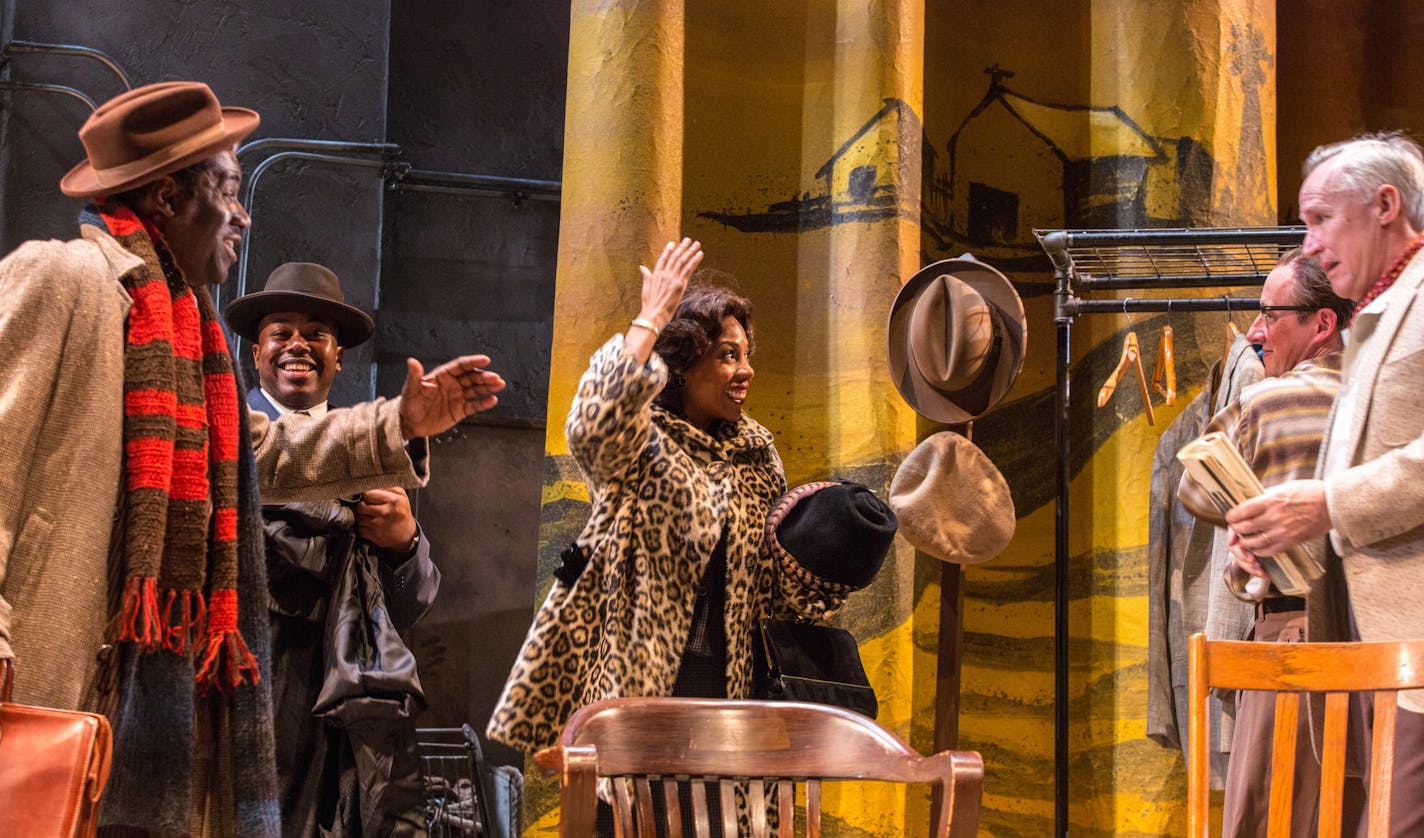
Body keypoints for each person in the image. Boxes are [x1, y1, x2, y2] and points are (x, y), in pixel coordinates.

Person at [0, 81, 504, 836]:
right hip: (54, 660)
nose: (242, 213)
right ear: (169, 196)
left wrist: (402, 421)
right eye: (228, 190)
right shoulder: (63, 279)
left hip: (151, 685)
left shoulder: (186, 332)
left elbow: (270, 451)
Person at [486, 237, 887, 748]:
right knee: (635, 822)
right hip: (640, 697)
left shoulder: (756, 456)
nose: (746, 371)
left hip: (731, 697)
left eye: (746, 355)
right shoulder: (641, 445)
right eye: (727, 356)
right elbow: (592, 425)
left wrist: (829, 550)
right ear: (684, 365)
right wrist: (652, 314)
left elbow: (777, 595)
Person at [1225, 132, 1424, 835]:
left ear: (1385, 205)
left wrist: (1326, 503)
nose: (1307, 244)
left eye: (1320, 218)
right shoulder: (1375, 314)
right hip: (1359, 650)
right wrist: (1278, 538)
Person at [225, 261, 440, 836]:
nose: (298, 345)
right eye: (281, 332)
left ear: (338, 356)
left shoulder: (371, 459)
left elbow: (409, 605)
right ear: (256, 351)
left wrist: (403, 543)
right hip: (243, 672)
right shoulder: (227, 438)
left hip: (338, 690)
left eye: (316, 334)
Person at [1179, 249, 1357, 837]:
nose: (1256, 333)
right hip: (1386, 641)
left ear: (1321, 324)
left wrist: (1247, 514)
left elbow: (1194, 487)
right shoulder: (1387, 399)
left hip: (1290, 639)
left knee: (1272, 815)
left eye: (1270, 314)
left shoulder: (1262, 401)